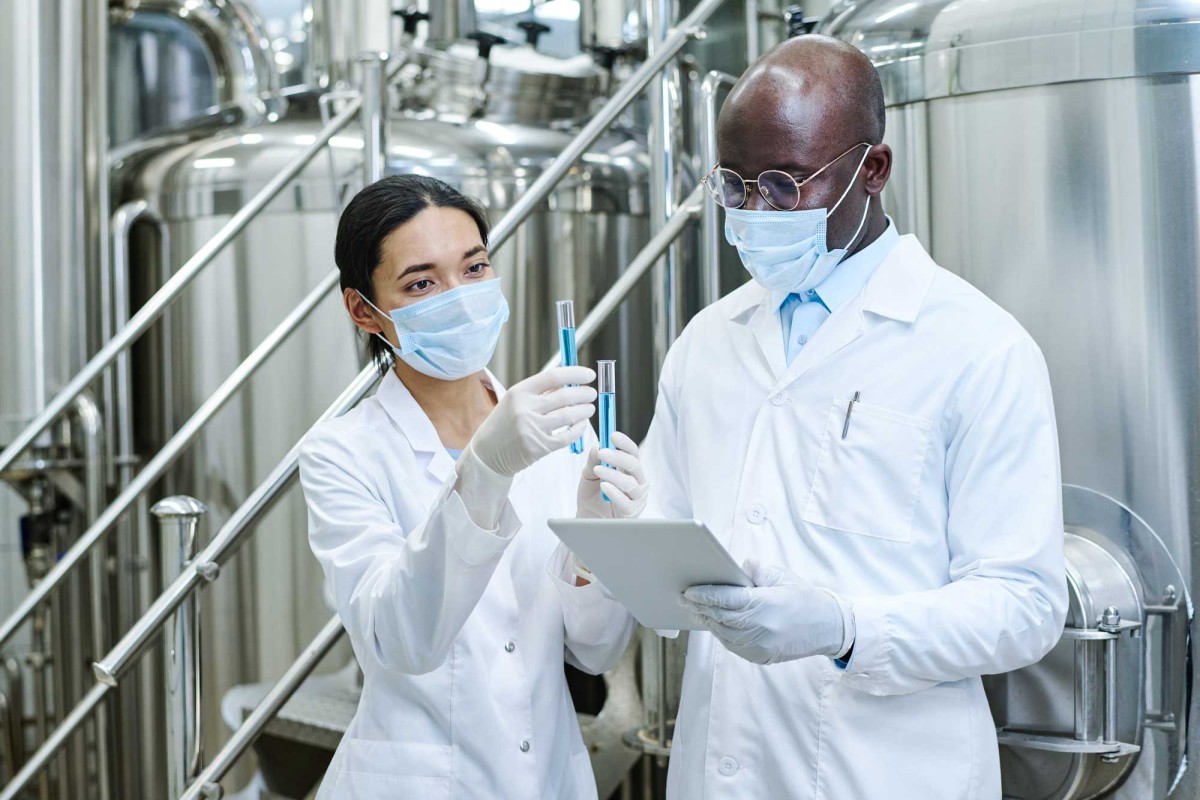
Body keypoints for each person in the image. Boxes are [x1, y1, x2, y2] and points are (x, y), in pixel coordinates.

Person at [640, 35, 1067, 799]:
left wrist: (844, 628)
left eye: (783, 184)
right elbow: (663, 533)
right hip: (724, 768)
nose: (755, 211)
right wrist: (610, 527)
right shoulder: (707, 341)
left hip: (888, 772)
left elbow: (1025, 604)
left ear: (872, 170)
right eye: (734, 187)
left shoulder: (978, 348)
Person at [299, 175, 642, 799]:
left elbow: (595, 652)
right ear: (362, 309)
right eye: (421, 283)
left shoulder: (561, 428)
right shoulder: (341, 454)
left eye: (475, 267)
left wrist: (598, 546)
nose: (459, 298)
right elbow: (404, 640)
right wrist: (486, 469)